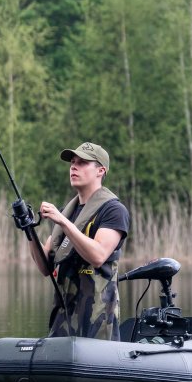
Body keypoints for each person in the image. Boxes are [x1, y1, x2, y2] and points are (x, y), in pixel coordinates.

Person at [27, 142, 130, 340]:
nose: (74, 167)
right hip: (62, 319)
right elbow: (45, 267)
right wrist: (28, 229)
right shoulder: (68, 212)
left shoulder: (114, 210)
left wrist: (63, 222)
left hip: (97, 321)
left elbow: (98, 256)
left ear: (101, 170)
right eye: (72, 162)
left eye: (82, 163)